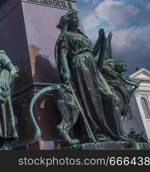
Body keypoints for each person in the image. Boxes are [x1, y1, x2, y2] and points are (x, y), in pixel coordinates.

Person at [55, 9, 129, 142]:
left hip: (92, 67)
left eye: (78, 18)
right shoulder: (66, 36)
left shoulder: (82, 36)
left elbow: (92, 52)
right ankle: (98, 132)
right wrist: (66, 71)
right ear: (69, 21)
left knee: (109, 96)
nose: (78, 20)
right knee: (91, 99)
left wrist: (100, 40)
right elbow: (63, 55)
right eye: (75, 18)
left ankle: (117, 132)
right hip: (80, 66)